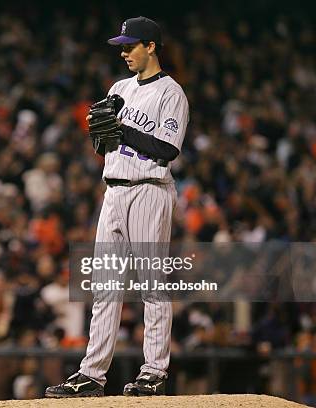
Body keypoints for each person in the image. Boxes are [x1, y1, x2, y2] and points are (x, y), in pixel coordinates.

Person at [46, 16, 189, 398]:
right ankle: (92, 373)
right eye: (122, 46)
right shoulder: (119, 88)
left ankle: (154, 371)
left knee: (151, 285)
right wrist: (101, 136)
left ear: (152, 46)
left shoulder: (170, 93)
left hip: (149, 189)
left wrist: (122, 130)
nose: (124, 52)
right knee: (105, 287)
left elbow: (167, 149)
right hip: (113, 191)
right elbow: (104, 142)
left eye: (130, 45)